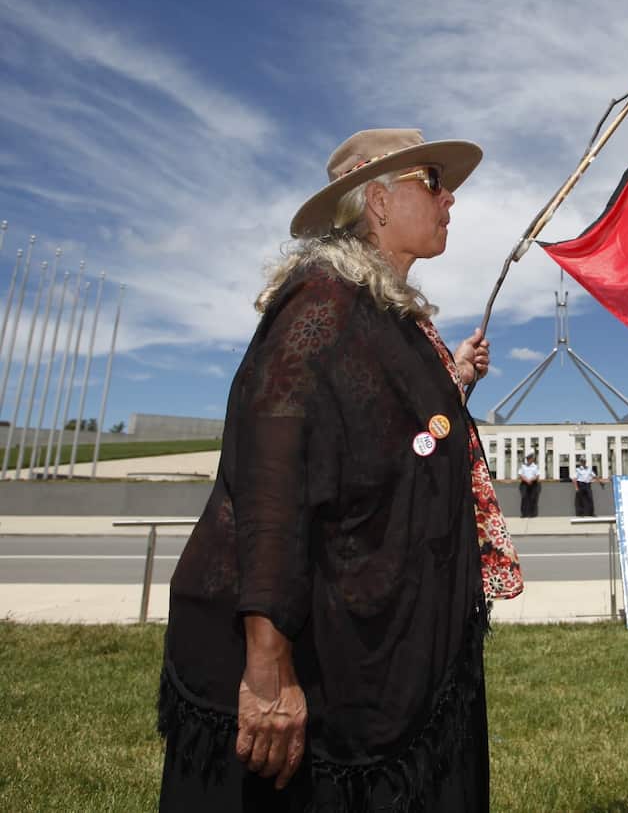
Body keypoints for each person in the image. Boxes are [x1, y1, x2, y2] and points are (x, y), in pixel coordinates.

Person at [157, 128, 523, 812]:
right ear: (379, 201)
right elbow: (273, 479)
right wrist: (266, 668)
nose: (452, 201)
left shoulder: (395, 326)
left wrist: (453, 389)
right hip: (317, 667)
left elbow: (402, 444)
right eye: (435, 183)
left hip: (384, 659)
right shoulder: (320, 307)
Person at [518, 453, 542, 518]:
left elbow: (537, 476)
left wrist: (531, 480)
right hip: (524, 483)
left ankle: (532, 514)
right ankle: (524, 514)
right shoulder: (523, 466)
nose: (529, 460)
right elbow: (520, 474)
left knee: (533, 498)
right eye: (528, 459)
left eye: (530, 458)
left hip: (533, 483)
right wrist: (526, 480)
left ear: (532, 459)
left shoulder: (535, 466)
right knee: (524, 498)